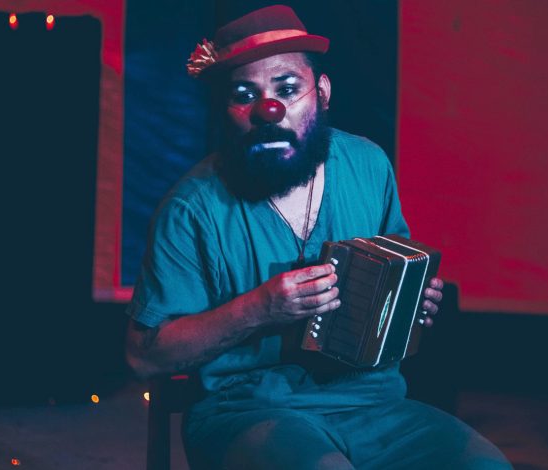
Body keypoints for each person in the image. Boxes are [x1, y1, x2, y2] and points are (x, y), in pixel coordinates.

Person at [125, 5, 512, 469]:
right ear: (225, 110)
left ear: (322, 93)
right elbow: (144, 358)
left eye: (287, 89)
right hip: (247, 411)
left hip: (373, 404)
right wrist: (260, 308)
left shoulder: (367, 165)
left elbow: (393, 289)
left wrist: (412, 305)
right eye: (245, 95)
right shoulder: (192, 208)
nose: (269, 111)